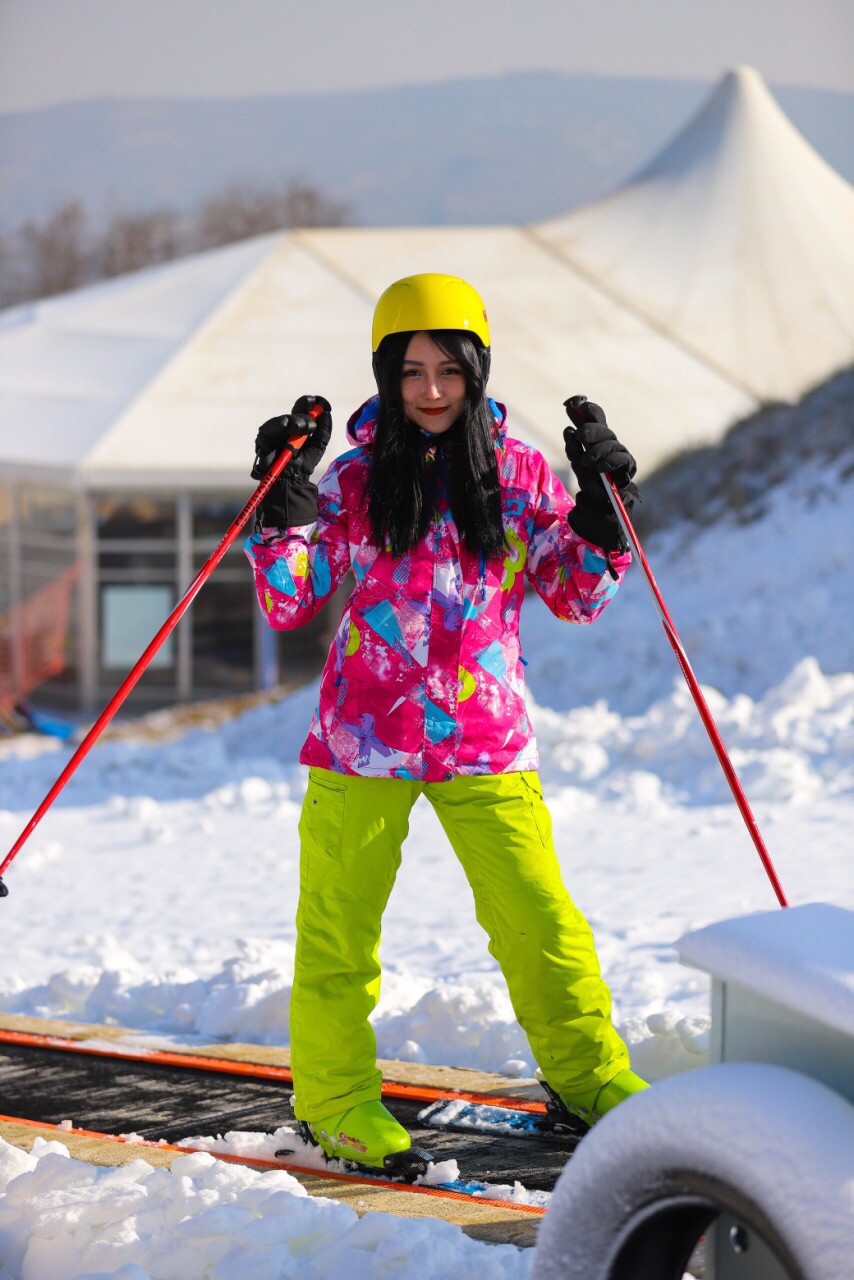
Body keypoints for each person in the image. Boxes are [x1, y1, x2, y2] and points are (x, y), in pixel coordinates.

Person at [245, 273, 647, 1176]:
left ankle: (589, 1078)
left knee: (542, 923)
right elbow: (289, 602)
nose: (430, 390)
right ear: (386, 376)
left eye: (449, 370)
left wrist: (601, 513)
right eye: (411, 370)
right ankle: (338, 1104)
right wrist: (285, 509)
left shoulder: (518, 475)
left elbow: (577, 596)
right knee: (338, 933)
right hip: (363, 741)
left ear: (478, 371)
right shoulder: (352, 481)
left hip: (485, 741)